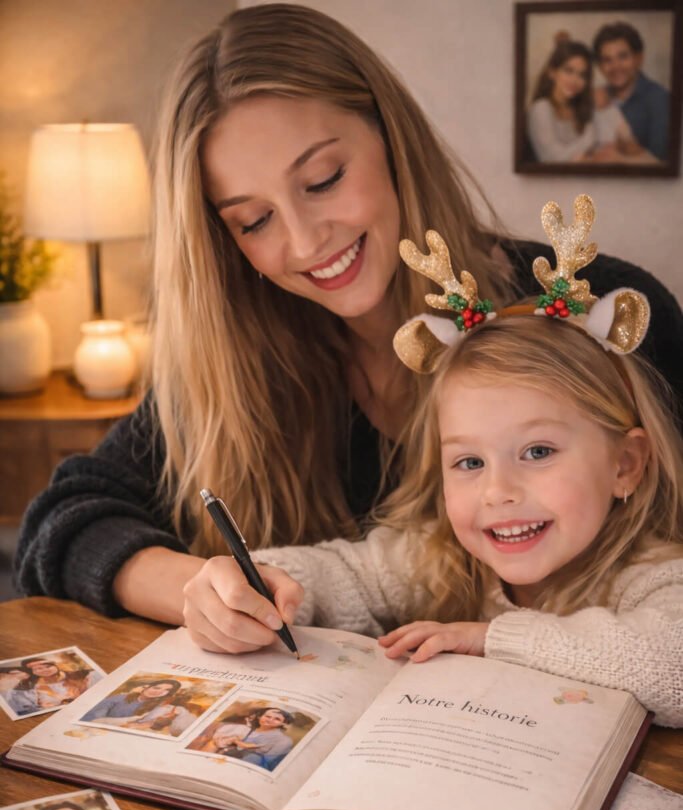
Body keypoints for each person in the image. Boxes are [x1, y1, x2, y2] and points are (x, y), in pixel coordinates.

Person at [14, 4, 683, 647]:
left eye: (323, 179)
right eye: (253, 221)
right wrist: (192, 586)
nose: (305, 243)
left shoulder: (598, 314)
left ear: (391, 139)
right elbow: (62, 522)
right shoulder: (246, 358)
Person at [207, 206, 683, 728]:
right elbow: (344, 573)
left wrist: (490, 640)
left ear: (626, 465)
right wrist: (266, 582)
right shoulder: (439, 557)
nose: (498, 491)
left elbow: (672, 667)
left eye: (538, 452)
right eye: (470, 461)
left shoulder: (653, 578)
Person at [527, 37, 640, 165]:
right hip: (554, 183)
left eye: (582, 75)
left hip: (585, 178)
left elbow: (596, 148)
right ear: (552, 72)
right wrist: (590, 138)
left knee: (606, 109)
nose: (574, 81)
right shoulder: (541, 108)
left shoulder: (579, 107)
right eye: (568, 71)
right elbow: (552, 158)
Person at [593, 21, 670, 161]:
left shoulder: (660, 99)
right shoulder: (597, 97)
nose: (615, 66)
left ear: (638, 58)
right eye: (607, 60)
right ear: (599, 66)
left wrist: (619, 159)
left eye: (623, 56)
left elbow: (662, 164)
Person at [218, 707, 294, 770]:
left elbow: (268, 761)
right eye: (267, 716)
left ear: (284, 723)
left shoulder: (283, 740)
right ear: (259, 717)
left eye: (277, 719)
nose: (270, 720)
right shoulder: (247, 729)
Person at [81, 678, 182, 722]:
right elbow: (91, 716)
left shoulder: (159, 708)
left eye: (166, 691)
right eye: (156, 688)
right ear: (147, 686)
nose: (158, 692)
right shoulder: (120, 698)